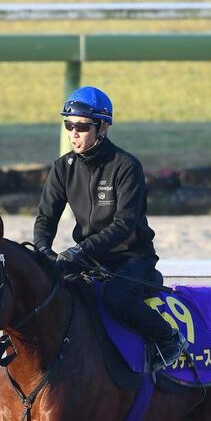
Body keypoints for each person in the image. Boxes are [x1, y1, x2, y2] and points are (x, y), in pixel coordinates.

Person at [33, 86, 187, 371]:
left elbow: (124, 225)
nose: (73, 133)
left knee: (116, 297)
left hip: (131, 258)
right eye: (69, 125)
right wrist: (43, 251)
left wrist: (78, 250)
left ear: (102, 127)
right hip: (88, 259)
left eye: (81, 126)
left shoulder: (126, 166)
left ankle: (168, 338)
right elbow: (45, 219)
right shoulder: (62, 168)